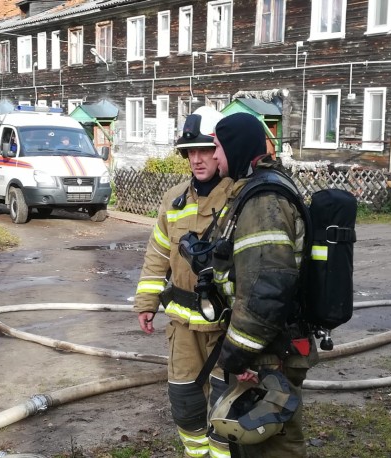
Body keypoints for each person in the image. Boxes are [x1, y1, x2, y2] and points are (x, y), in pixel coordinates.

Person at [208, 112, 319, 457]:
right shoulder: (259, 190)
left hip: (269, 353)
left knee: (274, 446)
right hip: (269, 348)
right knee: (258, 443)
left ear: (236, 146)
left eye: (217, 147)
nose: (213, 157)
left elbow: (265, 288)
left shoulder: (262, 201)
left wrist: (237, 356)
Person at [134, 106, 233, 458]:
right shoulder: (173, 200)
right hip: (182, 328)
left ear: (219, 149)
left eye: (205, 149)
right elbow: (157, 255)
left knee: (228, 408)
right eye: (190, 151)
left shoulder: (238, 196)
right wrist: (146, 303)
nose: (197, 159)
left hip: (225, 328)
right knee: (186, 404)